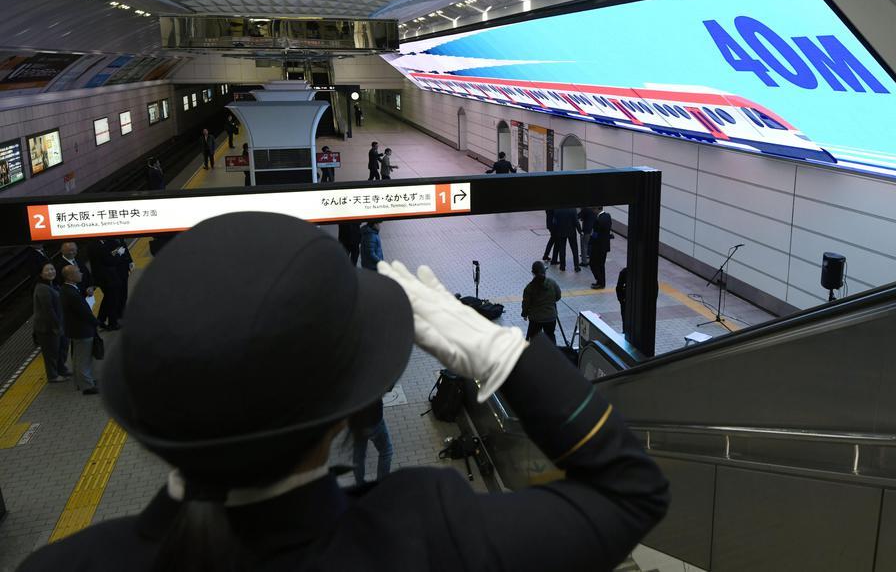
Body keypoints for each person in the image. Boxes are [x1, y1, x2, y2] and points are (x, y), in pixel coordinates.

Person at [18, 212, 668, 571]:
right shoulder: (433, 532)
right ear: (345, 415)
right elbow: (631, 488)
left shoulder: (61, 567)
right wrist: (498, 350)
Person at [60, 265, 100, 395]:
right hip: (82, 329)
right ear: (70, 277)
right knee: (84, 358)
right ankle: (87, 386)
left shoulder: (67, 289)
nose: (81, 274)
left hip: (76, 329)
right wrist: (96, 322)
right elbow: (84, 312)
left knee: (78, 357)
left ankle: (81, 382)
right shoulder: (72, 293)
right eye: (78, 272)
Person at [54, 241, 92, 376]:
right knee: (80, 352)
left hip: (84, 297)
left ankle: (81, 378)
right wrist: (95, 322)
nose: (72, 252)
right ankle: (84, 381)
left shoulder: (77, 262)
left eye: (74, 250)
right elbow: (83, 314)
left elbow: (86, 275)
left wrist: (90, 287)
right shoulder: (61, 268)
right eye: (69, 250)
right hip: (77, 326)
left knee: (79, 352)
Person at [32, 263, 66, 383]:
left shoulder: (52, 285)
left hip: (55, 325)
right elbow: (48, 310)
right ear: (41, 274)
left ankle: (62, 370)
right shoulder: (42, 288)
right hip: (47, 328)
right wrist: (57, 326)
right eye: (47, 270)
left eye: (52, 269)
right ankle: (52, 376)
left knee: (59, 349)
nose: (51, 272)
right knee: (51, 352)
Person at [349, 398, 393, 486]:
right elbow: (388, 388)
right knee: (386, 451)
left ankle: (360, 485)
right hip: (373, 419)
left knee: (359, 455)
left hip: (355, 423)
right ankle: (381, 485)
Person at [94, 237, 133, 330]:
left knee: (123, 294)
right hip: (115, 271)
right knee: (113, 297)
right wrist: (117, 253)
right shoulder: (104, 242)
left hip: (123, 269)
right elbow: (109, 257)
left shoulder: (118, 236)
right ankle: (112, 319)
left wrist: (130, 260)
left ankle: (119, 315)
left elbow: (124, 247)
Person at [521, 261, 561, 342]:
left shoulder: (529, 288)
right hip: (550, 317)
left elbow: (526, 303)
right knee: (550, 336)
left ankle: (537, 353)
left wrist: (524, 314)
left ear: (533, 273)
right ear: (544, 271)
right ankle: (552, 353)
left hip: (535, 319)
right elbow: (558, 297)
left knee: (535, 339)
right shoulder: (552, 283)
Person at [589, 207, 613, 289]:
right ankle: (602, 282)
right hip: (605, 246)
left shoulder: (598, 220)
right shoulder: (608, 216)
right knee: (601, 265)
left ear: (597, 209)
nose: (593, 211)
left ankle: (599, 281)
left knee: (593, 263)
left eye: (593, 209)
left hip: (597, 246)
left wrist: (590, 242)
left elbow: (595, 234)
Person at [552, 207, 581, 272]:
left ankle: (562, 266)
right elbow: (576, 221)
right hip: (571, 232)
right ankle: (576, 266)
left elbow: (554, 222)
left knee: (562, 249)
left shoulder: (557, 209)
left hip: (561, 232)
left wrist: (555, 231)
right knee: (574, 249)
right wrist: (580, 231)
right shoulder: (573, 209)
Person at [616, 267, 629, 337]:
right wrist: (622, 300)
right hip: (625, 303)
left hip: (625, 303)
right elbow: (618, 288)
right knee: (625, 321)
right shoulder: (624, 272)